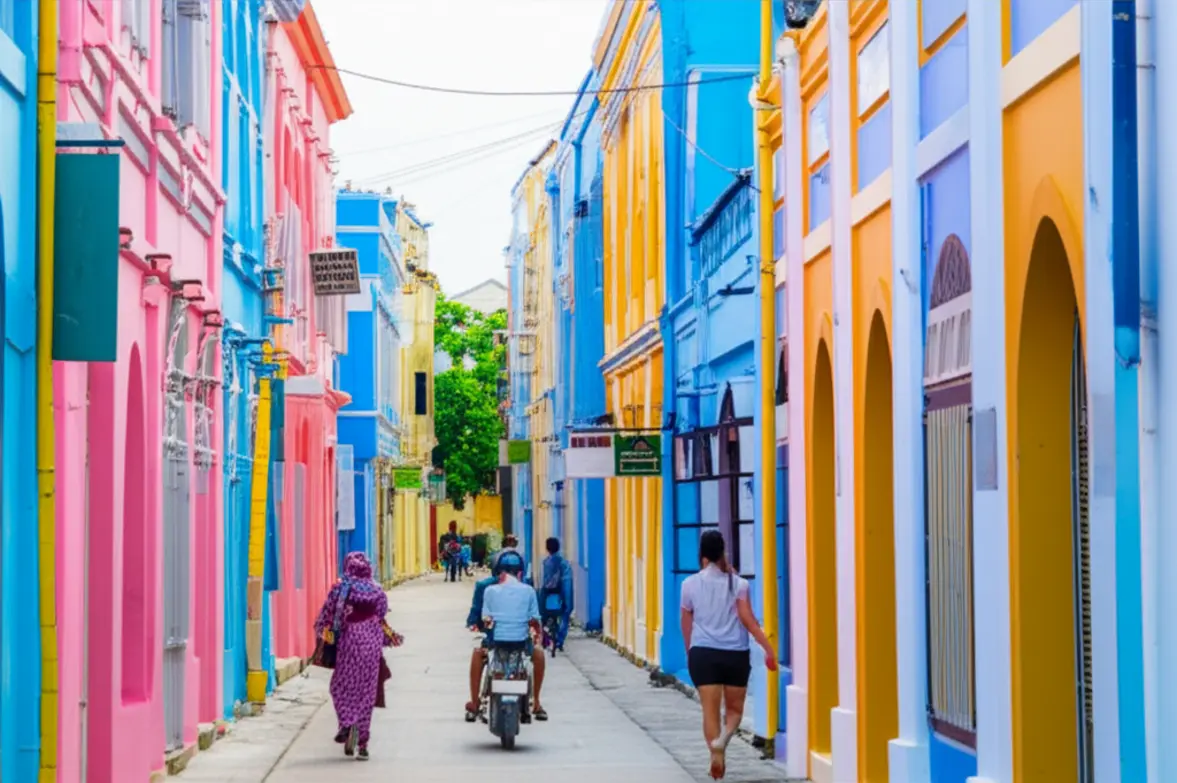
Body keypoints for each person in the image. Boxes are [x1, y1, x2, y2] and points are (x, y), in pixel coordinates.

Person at [680, 530, 776, 780]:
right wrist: (768, 649)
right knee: (734, 712)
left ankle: (715, 754)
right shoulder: (739, 585)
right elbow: (749, 621)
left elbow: (685, 623)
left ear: (702, 554)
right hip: (734, 655)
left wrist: (690, 651)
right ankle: (722, 739)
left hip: (703, 654)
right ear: (723, 552)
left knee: (709, 711)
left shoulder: (689, 585)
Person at [314, 552, 402, 761]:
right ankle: (363, 744)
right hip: (372, 643)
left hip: (349, 644)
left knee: (341, 686)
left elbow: (327, 615)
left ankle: (347, 722)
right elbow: (381, 615)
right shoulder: (377, 590)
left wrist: (324, 633)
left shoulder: (341, 589)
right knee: (366, 692)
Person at [464, 549, 548, 722]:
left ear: (498, 571)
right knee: (539, 654)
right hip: (521, 644)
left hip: (496, 643)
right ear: (520, 572)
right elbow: (535, 620)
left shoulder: (489, 590)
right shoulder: (529, 591)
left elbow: (486, 619)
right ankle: (536, 703)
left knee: (477, 655)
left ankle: (475, 702)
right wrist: (535, 634)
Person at [539, 537, 574, 651]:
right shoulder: (564, 563)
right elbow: (567, 581)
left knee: (541, 612)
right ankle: (560, 638)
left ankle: (544, 634)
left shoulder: (545, 563)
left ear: (547, 549)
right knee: (566, 611)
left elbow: (544, 581)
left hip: (548, 591)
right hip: (561, 590)